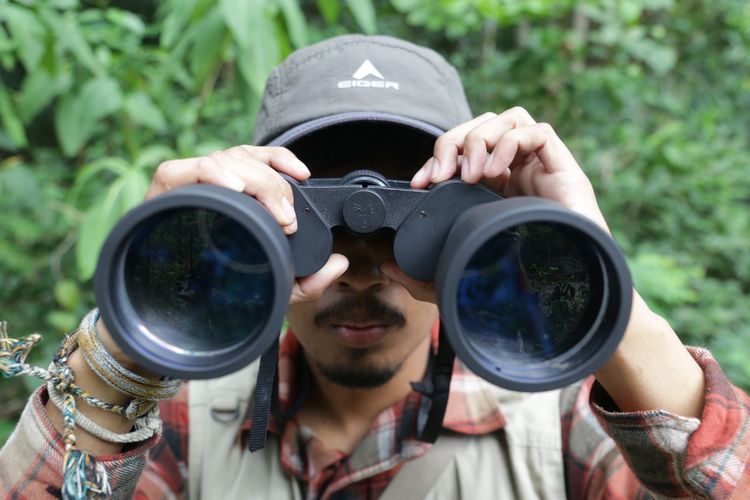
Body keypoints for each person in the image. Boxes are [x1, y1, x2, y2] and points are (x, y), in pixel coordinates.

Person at [1, 34, 749, 499]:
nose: (362, 273)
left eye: (415, 229)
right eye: (308, 231)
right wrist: (145, 323)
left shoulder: (562, 426)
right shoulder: (178, 419)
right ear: (256, 225)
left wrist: (589, 260)